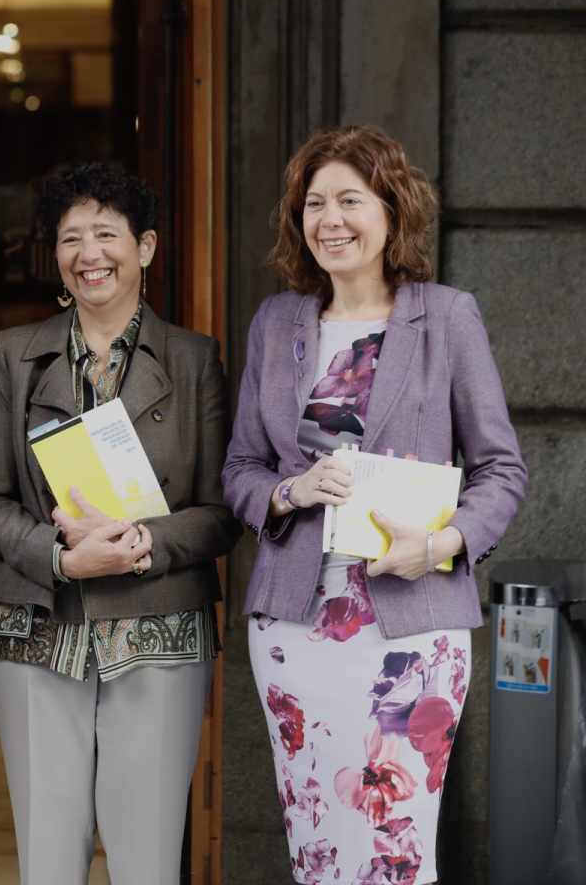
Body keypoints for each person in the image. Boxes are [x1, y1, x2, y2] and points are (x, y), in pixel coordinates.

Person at [223, 125, 526, 884]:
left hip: (411, 626)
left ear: (391, 210)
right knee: (317, 839)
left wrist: (440, 545)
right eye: (314, 203)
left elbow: (500, 470)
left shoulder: (446, 317)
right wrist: (288, 491)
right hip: (295, 623)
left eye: (350, 200)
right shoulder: (278, 323)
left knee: (395, 841)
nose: (331, 219)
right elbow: (241, 470)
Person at [0, 161, 240, 884]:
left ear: (145, 247)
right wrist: (60, 558)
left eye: (107, 234)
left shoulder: (193, 361)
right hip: (33, 628)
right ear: (55, 256)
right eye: (71, 238)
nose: (90, 254)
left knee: (147, 856)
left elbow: (221, 513)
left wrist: (148, 541)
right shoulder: (14, 354)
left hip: (159, 630)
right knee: (49, 858)